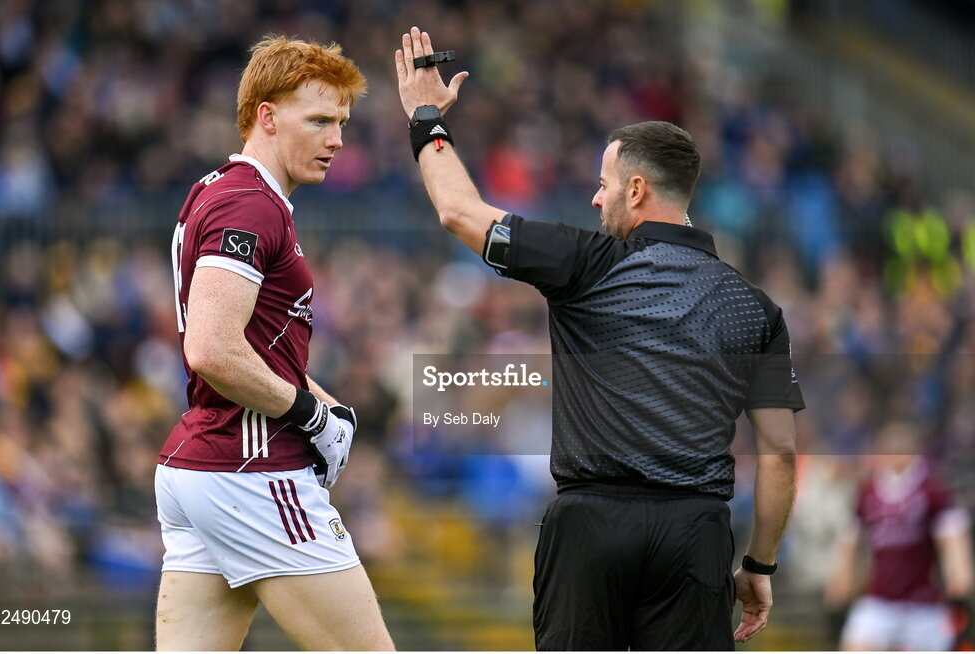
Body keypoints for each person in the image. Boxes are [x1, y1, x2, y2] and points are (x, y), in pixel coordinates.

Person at [395, 26, 804, 650]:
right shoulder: (755, 308)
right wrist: (759, 566)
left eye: (604, 184)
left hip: (590, 527)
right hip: (696, 535)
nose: (594, 197)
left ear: (636, 190)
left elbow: (459, 212)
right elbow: (778, 453)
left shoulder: (585, 261)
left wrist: (426, 119)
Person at [153, 36, 394, 651]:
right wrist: (309, 415)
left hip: (203, 464)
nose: (336, 138)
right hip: (253, 470)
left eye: (341, 121)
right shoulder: (250, 204)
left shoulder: (227, 191)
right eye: (318, 120)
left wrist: (324, 403)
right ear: (266, 116)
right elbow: (210, 348)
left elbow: (253, 344)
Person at [825, 421, 973, 651]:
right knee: (855, 645)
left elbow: (952, 536)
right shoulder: (868, 491)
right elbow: (850, 537)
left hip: (923, 604)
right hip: (879, 600)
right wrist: (841, 579)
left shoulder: (932, 490)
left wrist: (959, 574)